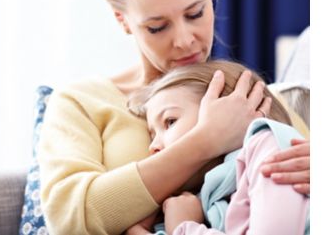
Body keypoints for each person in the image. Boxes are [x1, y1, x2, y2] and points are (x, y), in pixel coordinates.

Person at [37, 0, 310, 234]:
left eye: (195, 14)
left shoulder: (248, 96)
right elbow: (69, 219)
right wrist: (205, 141)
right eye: (157, 27)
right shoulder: (83, 102)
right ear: (123, 20)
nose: (183, 40)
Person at [126, 60, 309, 235]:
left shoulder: (268, 146)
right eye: (152, 135)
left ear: (231, 111)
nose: (152, 147)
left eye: (170, 121)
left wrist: (183, 227)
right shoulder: (205, 198)